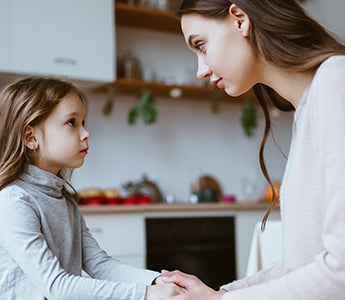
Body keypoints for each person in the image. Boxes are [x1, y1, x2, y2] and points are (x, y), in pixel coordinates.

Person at [158, 0, 345, 299]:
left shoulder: (336, 81)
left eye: (201, 45)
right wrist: (217, 293)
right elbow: (302, 265)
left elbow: (340, 271)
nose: (200, 71)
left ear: (240, 20)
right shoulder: (308, 109)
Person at [0, 76, 183, 300]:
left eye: (83, 122)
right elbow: (56, 286)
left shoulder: (65, 201)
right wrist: (146, 294)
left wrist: (159, 282)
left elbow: (100, 265)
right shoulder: (13, 201)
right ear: (31, 137)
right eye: (71, 122)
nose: (86, 133)